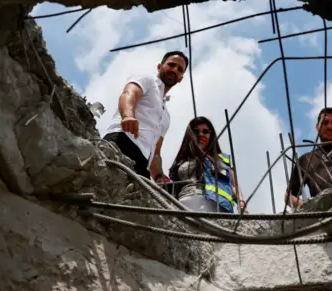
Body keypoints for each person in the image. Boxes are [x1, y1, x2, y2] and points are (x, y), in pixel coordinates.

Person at [103, 51, 188, 180]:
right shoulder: (147, 80)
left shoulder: (166, 116)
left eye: (179, 69)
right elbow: (129, 94)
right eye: (171, 65)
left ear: (181, 78)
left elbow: (156, 151)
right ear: (160, 66)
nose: (174, 70)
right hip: (122, 140)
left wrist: (158, 174)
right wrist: (127, 116)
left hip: (142, 161)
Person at [168, 116, 247, 213]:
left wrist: (241, 203)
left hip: (215, 205)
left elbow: (233, 186)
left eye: (205, 131)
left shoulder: (221, 160)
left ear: (211, 135)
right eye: (196, 131)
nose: (201, 134)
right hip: (183, 204)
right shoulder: (181, 161)